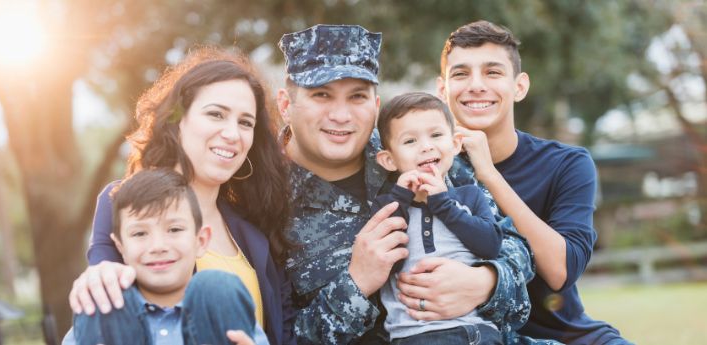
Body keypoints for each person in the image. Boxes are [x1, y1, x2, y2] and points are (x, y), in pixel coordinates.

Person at [276, 24, 535, 345]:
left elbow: (517, 250)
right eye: (321, 95)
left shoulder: (417, 150)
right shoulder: (263, 196)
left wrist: (484, 282)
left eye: (357, 96)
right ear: (286, 105)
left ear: (375, 104)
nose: (341, 115)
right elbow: (279, 336)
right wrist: (356, 284)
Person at [68, 48, 296, 345]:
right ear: (178, 119)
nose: (232, 133)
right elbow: (106, 304)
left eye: (245, 122)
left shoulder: (254, 230)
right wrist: (97, 276)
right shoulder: (122, 202)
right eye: (216, 114)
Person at [437, 20, 631, 344]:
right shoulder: (424, 168)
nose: (475, 85)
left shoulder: (568, 164)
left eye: (492, 72)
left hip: (567, 336)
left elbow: (560, 272)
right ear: (442, 90)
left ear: (519, 86)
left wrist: (489, 173)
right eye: (460, 74)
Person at [67, 168, 261, 344]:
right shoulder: (103, 315)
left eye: (174, 229)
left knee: (217, 286)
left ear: (201, 240)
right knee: (106, 303)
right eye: (140, 233)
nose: (158, 246)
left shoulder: (222, 307)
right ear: (120, 247)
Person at [373, 92, 503, 344]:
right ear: (389, 160)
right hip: (415, 335)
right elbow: (388, 266)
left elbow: (491, 245)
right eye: (410, 141)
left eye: (436, 135)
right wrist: (401, 198)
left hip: (476, 331)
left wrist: (444, 205)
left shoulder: (470, 196)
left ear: (454, 144)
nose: (426, 146)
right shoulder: (386, 206)